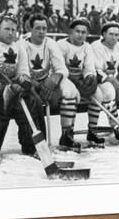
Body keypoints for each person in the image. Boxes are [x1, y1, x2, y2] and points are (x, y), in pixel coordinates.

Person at [0, 13, 46, 164]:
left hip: (12, 87)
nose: (11, 33)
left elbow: (23, 71)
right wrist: (7, 89)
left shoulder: (19, 47)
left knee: (32, 101)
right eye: (6, 29)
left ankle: (32, 146)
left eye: (13, 29)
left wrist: (23, 81)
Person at [21, 14, 79, 151]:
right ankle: (33, 144)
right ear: (30, 29)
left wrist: (54, 79)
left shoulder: (50, 43)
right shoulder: (22, 44)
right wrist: (31, 82)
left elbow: (62, 69)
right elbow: (20, 71)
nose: (41, 32)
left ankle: (66, 135)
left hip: (47, 84)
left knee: (70, 89)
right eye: (38, 28)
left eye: (44, 28)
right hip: (29, 85)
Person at [56, 19, 104, 149]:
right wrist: (74, 80)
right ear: (71, 31)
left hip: (80, 81)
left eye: (84, 32)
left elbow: (89, 67)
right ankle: (67, 133)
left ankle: (92, 131)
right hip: (64, 79)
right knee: (70, 93)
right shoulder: (61, 45)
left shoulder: (87, 47)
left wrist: (90, 78)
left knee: (98, 94)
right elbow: (58, 67)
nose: (80, 35)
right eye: (77, 31)